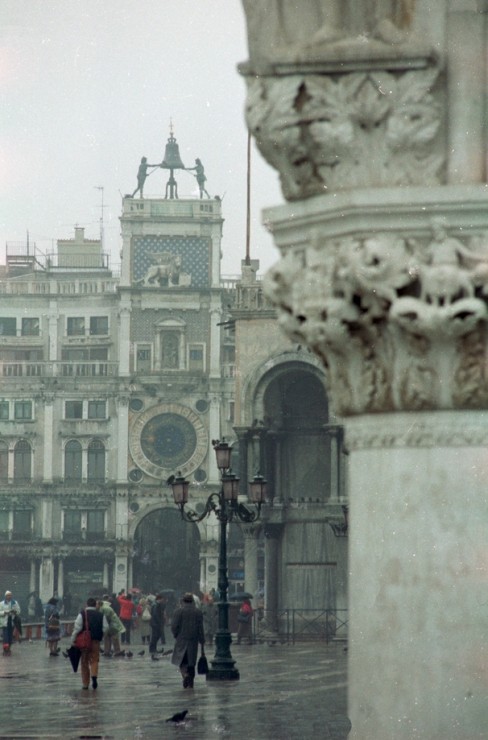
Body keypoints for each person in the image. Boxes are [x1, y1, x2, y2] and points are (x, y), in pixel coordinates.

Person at [71, 597, 108, 690]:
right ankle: (94, 677)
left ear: (86, 605)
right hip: (96, 641)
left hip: (84, 642)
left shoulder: (82, 614)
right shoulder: (101, 615)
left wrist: (73, 639)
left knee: (84, 662)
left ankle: (85, 683)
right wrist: (101, 635)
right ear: (95, 605)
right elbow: (106, 628)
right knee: (95, 660)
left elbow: (77, 628)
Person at [171, 592, 205, 688]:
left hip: (181, 640)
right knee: (191, 663)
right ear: (193, 601)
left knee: (182, 661)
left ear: (183, 601)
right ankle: (191, 681)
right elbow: (200, 628)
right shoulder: (198, 612)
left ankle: (185, 675)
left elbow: (174, 627)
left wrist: (176, 635)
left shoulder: (178, 612)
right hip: (193, 641)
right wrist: (202, 640)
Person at [0, 591, 21, 655]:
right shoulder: (1, 603)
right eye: (8, 595)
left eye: (10, 595)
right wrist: (5, 612)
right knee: (5, 637)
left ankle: (9, 649)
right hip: (5, 623)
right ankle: (5, 650)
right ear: (5, 596)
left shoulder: (14, 603)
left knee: (10, 637)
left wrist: (15, 612)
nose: (9, 596)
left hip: (11, 622)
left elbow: (18, 611)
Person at [148, 593, 166, 660]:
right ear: (159, 599)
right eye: (162, 599)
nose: (162, 600)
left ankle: (153, 648)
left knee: (156, 635)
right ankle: (152, 648)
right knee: (155, 635)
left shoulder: (156, 604)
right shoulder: (155, 605)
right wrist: (159, 622)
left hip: (155, 622)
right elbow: (155, 614)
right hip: (155, 623)